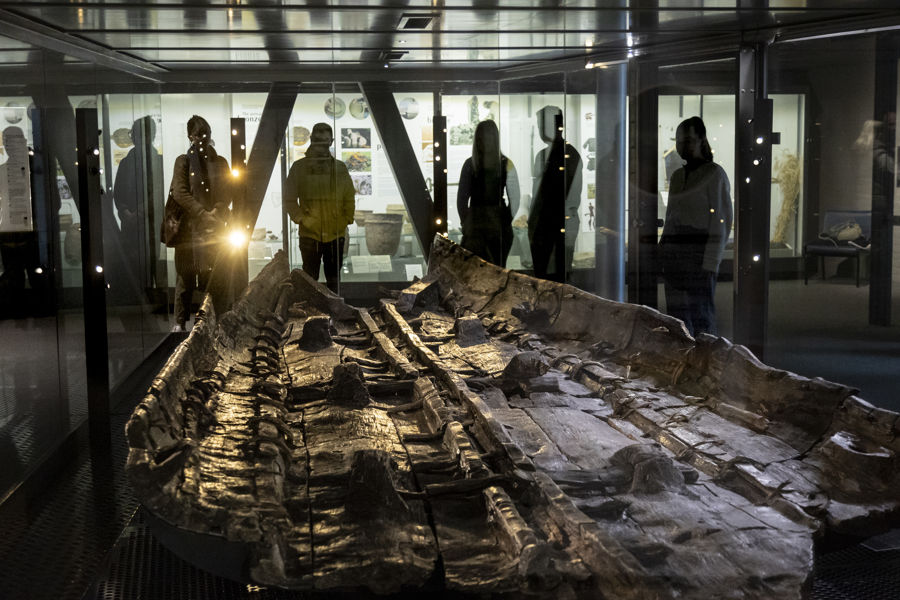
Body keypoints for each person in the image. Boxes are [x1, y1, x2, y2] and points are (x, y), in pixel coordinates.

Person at [658, 116, 733, 336]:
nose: (683, 146)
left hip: (698, 254)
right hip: (675, 254)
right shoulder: (678, 176)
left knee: (701, 318)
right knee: (676, 319)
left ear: (701, 139)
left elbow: (722, 222)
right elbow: (671, 216)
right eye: (679, 141)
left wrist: (711, 262)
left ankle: (706, 364)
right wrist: (662, 251)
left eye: (688, 140)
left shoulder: (714, 175)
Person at [169, 115, 231, 332]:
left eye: (206, 133)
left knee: (212, 278)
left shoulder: (220, 162)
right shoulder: (183, 162)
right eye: (199, 134)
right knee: (185, 277)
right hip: (189, 231)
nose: (203, 138)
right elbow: (180, 193)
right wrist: (204, 213)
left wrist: (216, 212)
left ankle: (209, 321)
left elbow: (227, 191)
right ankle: (179, 323)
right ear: (190, 136)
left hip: (213, 230)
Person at [283, 122, 355, 293]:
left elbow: (349, 196)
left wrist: (346, 219)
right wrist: (302, 219)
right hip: (310, 234)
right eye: (318, 140)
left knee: (334, 281)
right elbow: (289, 199)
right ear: (312, 140)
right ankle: (309, 314)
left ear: (331, 141)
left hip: (335, 234)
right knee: (309, 282)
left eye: (325, 141)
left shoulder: (339, 168)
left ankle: (336, 314)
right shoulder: (299, 168)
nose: (321, 145)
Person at [528, 106, 583, 282]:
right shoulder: (544, 155)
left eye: (540, 124)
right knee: (545, 276)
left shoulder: (569, 155)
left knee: (558, 277)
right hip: (546, 224)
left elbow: (572, 197)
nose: (538, 129)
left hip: (557, 223)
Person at [456, 119, 520, 267]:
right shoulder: (506, 163)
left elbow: (461, 200)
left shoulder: (470, 164)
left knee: (474, 274)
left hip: (476, 225)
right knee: (497, 273)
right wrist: (505, 221)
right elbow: (515, 199)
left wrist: (466, 222)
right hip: (497, 225)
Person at [113, 116, 164, 297]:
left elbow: (159, 193)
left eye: (138, 134)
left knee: (152, 263)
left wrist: (138, 213)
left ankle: (151, 297)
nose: (135, 137)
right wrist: (125, 212)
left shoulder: (158, 161)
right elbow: (118, 192)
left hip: (150, 224)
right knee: (132, 265)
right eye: (134, 133)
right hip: (131, 224)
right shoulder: (127, 162)